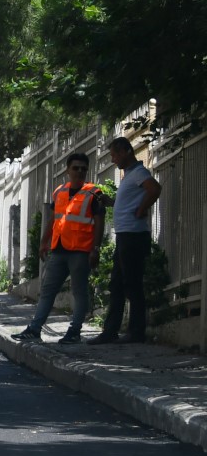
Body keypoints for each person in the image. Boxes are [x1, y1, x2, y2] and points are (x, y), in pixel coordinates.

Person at [10, 152, 105, 345]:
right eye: (75, 168)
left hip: (80, 251)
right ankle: (35, 329)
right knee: (47, 290)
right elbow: (53, 220)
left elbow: (99, 222)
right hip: (59, 250)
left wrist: (95, 249)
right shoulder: (60, 191)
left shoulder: (94, 193)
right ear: (68, 170)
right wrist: (43, 242)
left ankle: (74, 332)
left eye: (83, 169)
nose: (79, 172)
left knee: (79, 292)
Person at [90, 137, 161, 344]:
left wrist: (142, 209)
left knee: (132, 284)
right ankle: (111, 331)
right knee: (118, 284)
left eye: (114, 155)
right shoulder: (129, 175)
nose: (113, 160)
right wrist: (111, 202)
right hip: (125, 236)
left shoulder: (139, 173)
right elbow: (130, 200)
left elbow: (155, 189)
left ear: (126, 152)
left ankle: (136, 332)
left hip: (133, 236)